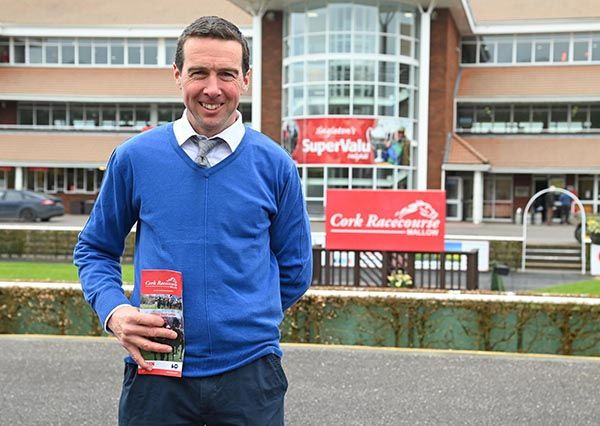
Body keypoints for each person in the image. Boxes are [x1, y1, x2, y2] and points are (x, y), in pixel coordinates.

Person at [74, 16, 312, 426]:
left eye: (227, 74)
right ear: (177, 74)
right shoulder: (135, 158)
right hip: (157, 370)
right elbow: (95, 249)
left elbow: (295, 270)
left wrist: (243, 317)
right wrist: (114, 312)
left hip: (251, 374)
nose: (212, 88)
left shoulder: (276, 166)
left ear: (246, 79)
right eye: (199, 72)